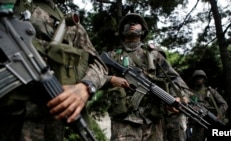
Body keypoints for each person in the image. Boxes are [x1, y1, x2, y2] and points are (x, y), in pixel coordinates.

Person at [0, 0, 110, 140]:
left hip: (52, 125)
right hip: (8, 120)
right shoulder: (12, 5)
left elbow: (100, 65)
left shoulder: (71, 24)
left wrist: (85, 87)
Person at [104, 13, 192, 141]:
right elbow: (95, 77)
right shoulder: (113, 56)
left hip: (152, 120)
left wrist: (179, 97)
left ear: (143, 30)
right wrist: (111, 79)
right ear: (122, 31)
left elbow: (174, 79)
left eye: (136, 22)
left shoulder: (153, 55)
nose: (132, 24)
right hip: (124, 120)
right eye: (128, 23)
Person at [189, 69, 228, 141]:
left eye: (201, 77)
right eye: (197, 78)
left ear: (204, 79)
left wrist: (219, 113)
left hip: (212, 120)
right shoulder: (191, 93)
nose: (199, 79)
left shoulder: (211, 91)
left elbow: (224, 104)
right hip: (198, 123)